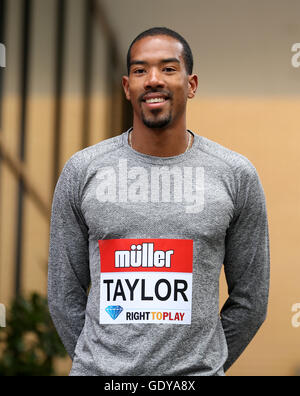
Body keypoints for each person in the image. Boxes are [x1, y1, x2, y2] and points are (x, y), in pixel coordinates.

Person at [48, 27, 270, 376]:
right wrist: (99, 366)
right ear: (127, 87)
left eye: (168, 69)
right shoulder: (83, 170)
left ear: (192, 84)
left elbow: (251, 301)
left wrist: (203, 364)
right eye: (140, 70)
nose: (153, 79)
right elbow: (63, 294)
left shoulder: (235, 175)